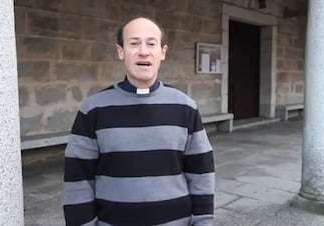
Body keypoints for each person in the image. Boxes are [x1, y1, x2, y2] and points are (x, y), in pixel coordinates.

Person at [63, 16, 215, 226]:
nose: (143, 51)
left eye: (151, 43)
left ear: (162, 52)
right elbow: (77, 179)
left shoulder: (185, 107)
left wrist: (204, 222)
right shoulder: (93, 109)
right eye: (134, 43)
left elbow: (201, 172)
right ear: (121, 51)